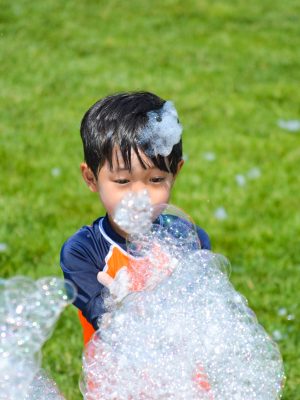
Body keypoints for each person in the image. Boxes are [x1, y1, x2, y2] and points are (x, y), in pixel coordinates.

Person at [60, 91, 211, 346]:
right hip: (116, 379)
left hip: (186, 377)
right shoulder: (83, 251)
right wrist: (115, 303)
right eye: (122, 181)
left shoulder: (187, 238)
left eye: (156, 180)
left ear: (175, 173)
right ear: (91, 178)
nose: (140, 195)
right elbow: (102, 319)